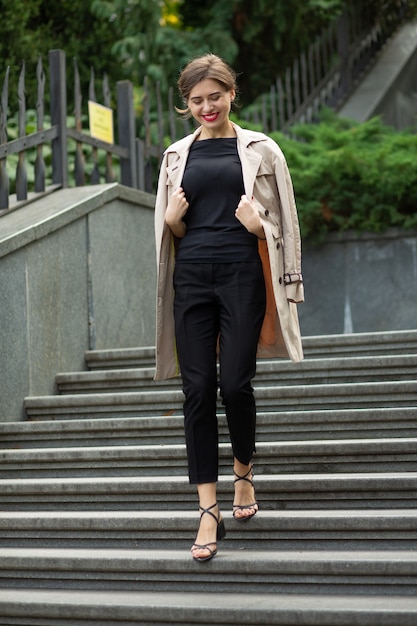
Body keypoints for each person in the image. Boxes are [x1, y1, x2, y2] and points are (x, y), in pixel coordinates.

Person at [154, 53, 304, 562]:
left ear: (231, 94)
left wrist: (261, 227)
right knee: (196, 389)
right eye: (196, 100)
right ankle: (207, 510)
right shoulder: (176, 155)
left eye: (214, 96)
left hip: (242, 275)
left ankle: (243, 474)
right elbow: (168, 231)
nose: (206, 106)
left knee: (235, 383)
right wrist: (173, 221)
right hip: (192, 279)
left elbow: (287, 221)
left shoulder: (263, 149)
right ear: (186, 104)